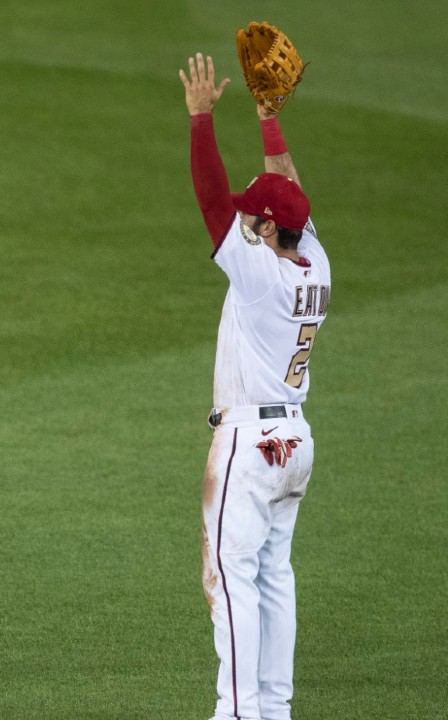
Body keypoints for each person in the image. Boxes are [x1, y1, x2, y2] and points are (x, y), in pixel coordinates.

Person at [179, 53, 331, 720]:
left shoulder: (261, 274)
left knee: (230, 579)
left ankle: (238, 714)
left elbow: (214, 201)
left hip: (250, 440)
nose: (246, 220)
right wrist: (269, 122)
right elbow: (289, 187)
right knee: (273, 577)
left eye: (256, 217)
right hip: (295, 439)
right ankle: (273, 709)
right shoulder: (313, 260)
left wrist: (202, 120)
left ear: (270, 230)